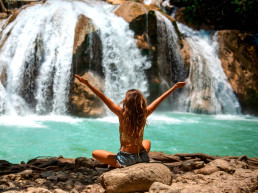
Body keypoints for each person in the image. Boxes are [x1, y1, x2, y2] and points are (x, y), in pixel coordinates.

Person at [75, 74, 187, 167]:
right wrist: (174, 87)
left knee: (95, 153)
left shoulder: (121, 113)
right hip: (142, 156)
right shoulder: (144, 113)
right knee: (147, 142)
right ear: (140, 102)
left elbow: (103, 97)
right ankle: (136, 160)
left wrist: (87, 83)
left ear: (126, 101)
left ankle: (119, 164)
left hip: (126, 158)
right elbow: (159, 100)